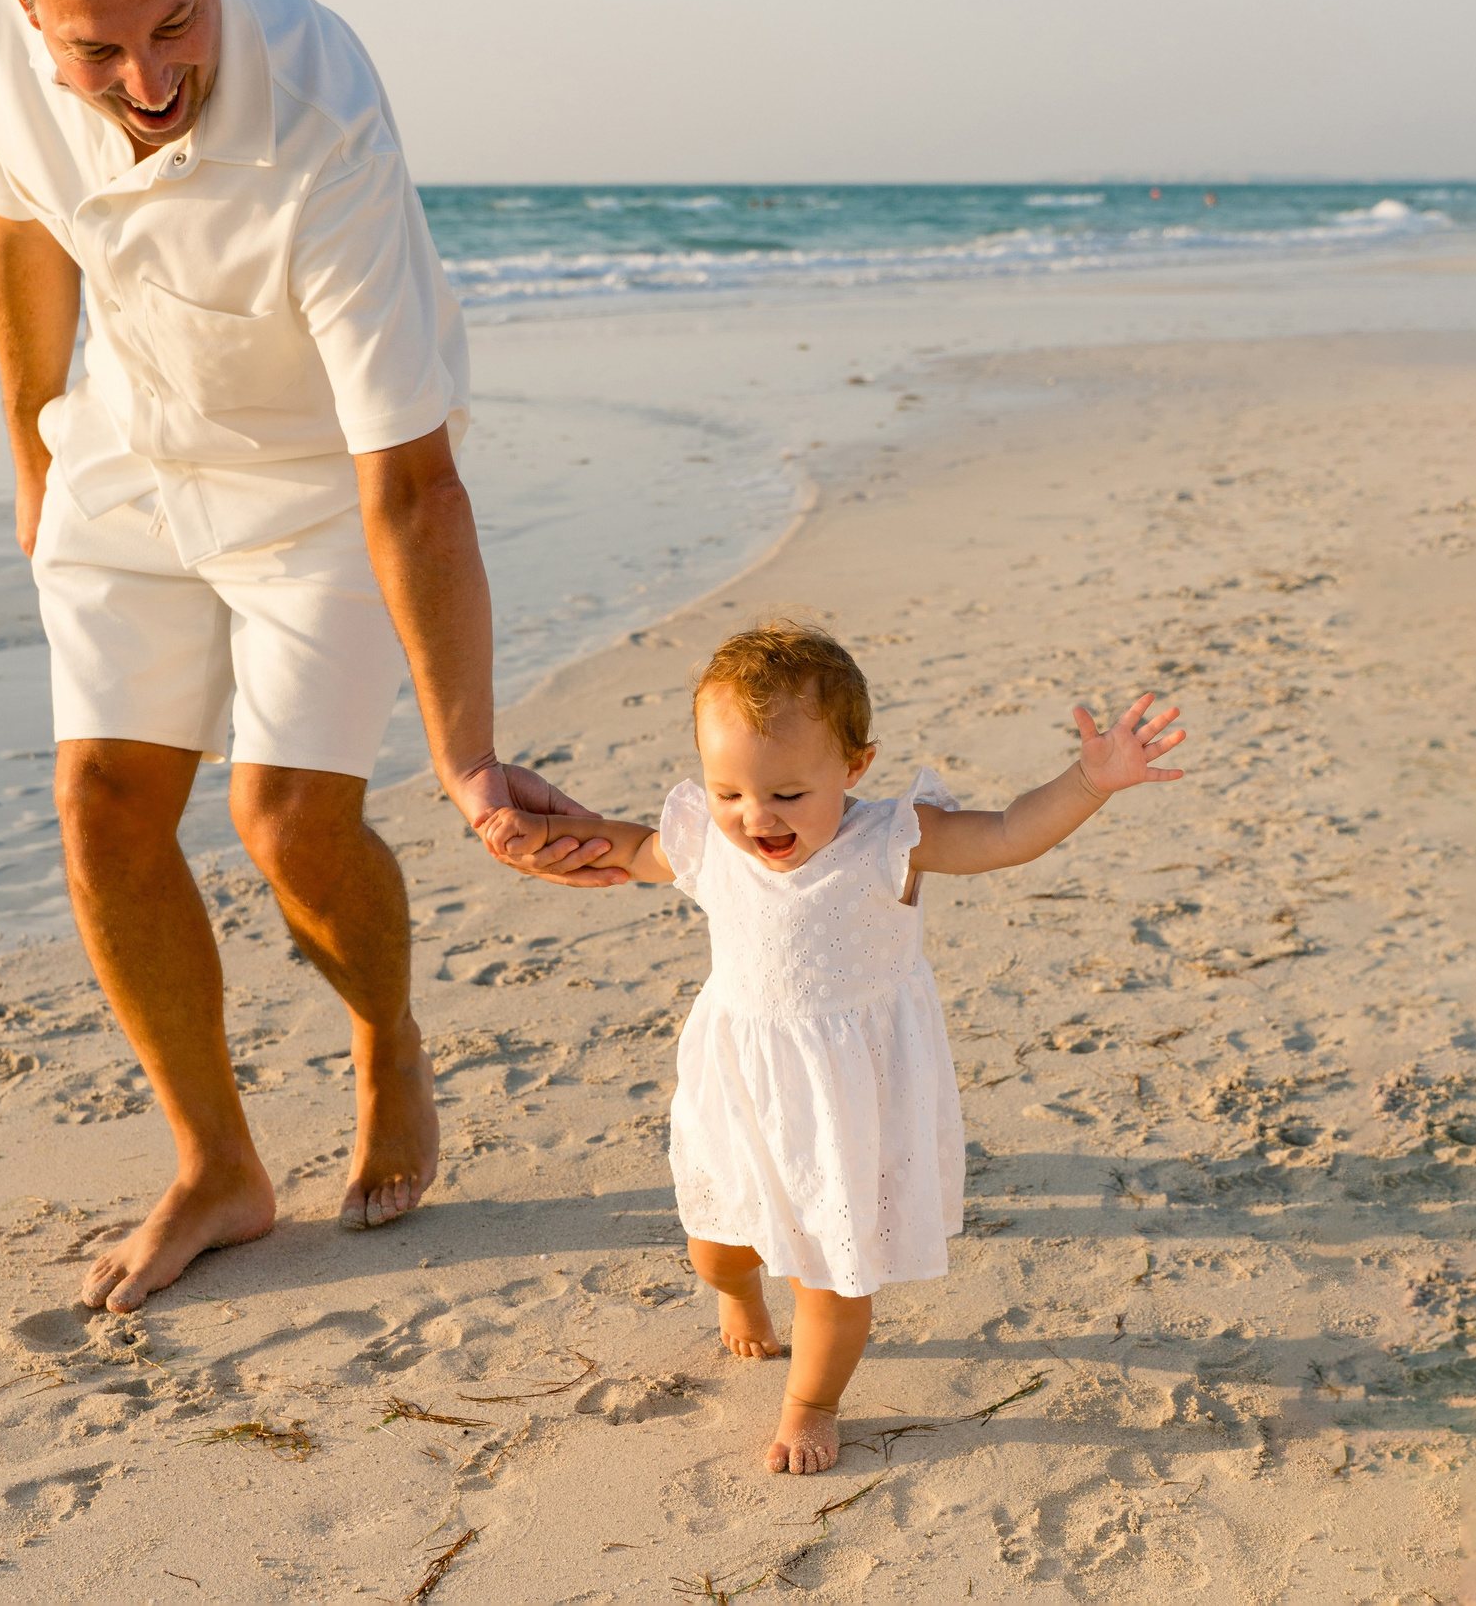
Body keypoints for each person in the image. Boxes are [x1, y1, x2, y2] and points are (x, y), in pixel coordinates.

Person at [0, 0, 607, 1314]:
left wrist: (469, 757)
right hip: (125, 440)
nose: (147, 80)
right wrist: (29, 456)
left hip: (323, 476)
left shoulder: (324, 118)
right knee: (102, 803)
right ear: (19, 2)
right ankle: (219, 1166)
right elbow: (20, 225)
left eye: (174, 22)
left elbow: (414, 486)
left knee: (286, 818)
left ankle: (386, 1032)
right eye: (95, 48)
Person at [479, 623, 1187, 1471]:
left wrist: (1089, 779)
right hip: (743, 1082)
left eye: (786, 793)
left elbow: (1005, 834)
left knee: (833, 1270)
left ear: (853, 767)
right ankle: (739, 1296)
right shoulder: (710, 837)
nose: (756, 817)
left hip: (849, 1093)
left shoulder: (892, 841)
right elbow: (625, 849)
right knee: (716, 1242)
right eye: (729, 790)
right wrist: (534, 833)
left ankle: (812, 1401)